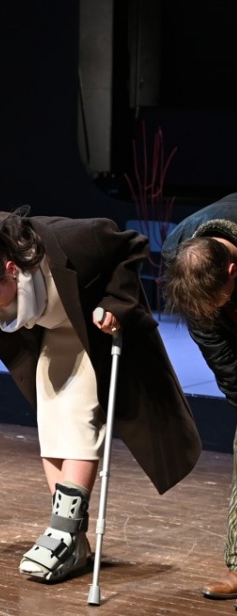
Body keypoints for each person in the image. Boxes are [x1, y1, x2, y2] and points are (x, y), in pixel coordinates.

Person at [0, 208, 202, 584]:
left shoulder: (73, 242)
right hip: (53, 334)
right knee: (52, 421)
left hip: (90, 329)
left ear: (11, 270)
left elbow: (131, 247)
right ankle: (71, 536)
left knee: (80, 418)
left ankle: (63, 532)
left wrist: (116, 303)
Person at [161, 192, 237, 601]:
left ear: (232, 271)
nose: (209, 313)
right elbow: (220, 354)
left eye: (215, 304)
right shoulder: (183, 251)